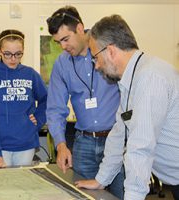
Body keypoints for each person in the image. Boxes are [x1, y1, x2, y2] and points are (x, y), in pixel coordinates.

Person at [75, 14, 179, 200]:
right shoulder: (131, 80)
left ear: (111, 51)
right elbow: (118, 134)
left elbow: (140, 147)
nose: (96, 66)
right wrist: (102, 180)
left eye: (95, 57)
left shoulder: (150, 78)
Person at [46, 6, 124, 199]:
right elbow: (55, 108)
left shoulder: (107, 50)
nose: (63, 47)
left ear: (80, 29)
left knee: (122, 194)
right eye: (58, 42)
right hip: (84, 143)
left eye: (65, 39)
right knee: (82, 195)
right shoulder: (62, 64)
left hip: (116, 140)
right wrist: (61, 145)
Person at [0, 29, 47, 168]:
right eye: (7, 54)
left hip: (26, 144)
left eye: (18, 54)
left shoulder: (30, 74)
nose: (13, 59)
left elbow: (47, 100)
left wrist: (38, 120)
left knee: (22, 188)